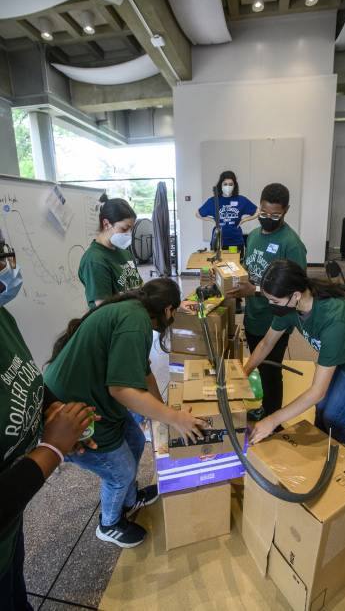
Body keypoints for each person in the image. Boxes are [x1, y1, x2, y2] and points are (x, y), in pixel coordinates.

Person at [44, 279, 207, 548]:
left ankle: (131, 500)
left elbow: (143, 372)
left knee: (134, 439)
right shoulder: (136, 322)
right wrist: (175, 418)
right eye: (174, 312)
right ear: (168, 310)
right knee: (120, 472)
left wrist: (164, 410)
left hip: (94, 398)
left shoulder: (133, 311)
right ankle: (109, 524)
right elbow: (121, 389)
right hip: (71, 408)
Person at [0, 252, 98, 611]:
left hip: (11, 527)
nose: (8, 268)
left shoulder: (2, 317)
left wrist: (54, 410)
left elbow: (28, 380)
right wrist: (52, 448)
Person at [247, 260, 345, 448]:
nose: (271, 305)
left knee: (333, 416)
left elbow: (317, 391)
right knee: (321, 409)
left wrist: (272, 420)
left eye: (275, 301)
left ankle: (344, 457)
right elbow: (266, 343)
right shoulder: (290, 306)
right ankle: (322, 447)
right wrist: (243, 372)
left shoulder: (335, 319)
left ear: (295, 295)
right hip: (338, 352)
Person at [226, 183, 307, 422]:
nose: (268, 218)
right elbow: (250, 271)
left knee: (271, 371)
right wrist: (238, 284)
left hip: (277, 319)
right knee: (261, 367)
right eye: (263, 213)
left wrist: (256, 290)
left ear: (286, 210)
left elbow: (296, 289)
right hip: (254, 315)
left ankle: (273, 418)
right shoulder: (252, 236)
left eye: (275, 215)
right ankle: (266, 408)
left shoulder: (291, 243)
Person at [79, 193, 142, 309]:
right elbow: (104, 309)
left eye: (131, 229)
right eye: (124, 228)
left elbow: (138, 288)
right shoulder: (95, 260)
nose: (128, 234)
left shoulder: (126, 254)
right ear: (106, 224)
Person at [196, 171, 258, 254]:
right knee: (218, 265)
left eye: (230, 184)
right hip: (218, 243)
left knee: (235, 265)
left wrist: (244, 220)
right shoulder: (213, 201)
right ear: (220, 185)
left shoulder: (241, 200)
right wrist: (212, 220)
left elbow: (258, 211)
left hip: (235, 242)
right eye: (225, 184)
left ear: (234, 185)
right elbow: (198, 214)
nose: (228, 186)